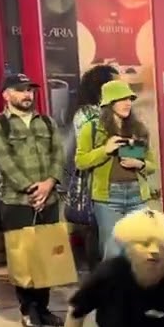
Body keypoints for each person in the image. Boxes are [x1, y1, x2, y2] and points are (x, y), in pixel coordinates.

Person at [0, 73, 67, 327]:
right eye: (20, 90)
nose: (27, 95)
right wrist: (33, 190)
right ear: (6, 95)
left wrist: (50, 183)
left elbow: (58, 154)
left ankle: (43, 307)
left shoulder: (47, 122)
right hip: (17, 200)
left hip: (50, 198)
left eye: (30, 90)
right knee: (24, 258)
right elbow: (4, 162)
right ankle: (28, 309)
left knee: (47, 257)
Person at [75, 79, 157, 261]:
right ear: (109, 103)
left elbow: (152, 165)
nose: (128, 103)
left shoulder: (138, 129)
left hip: (138, 196)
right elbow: (81, 161)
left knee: (138, 252)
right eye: (122, 99)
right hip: (108, 198)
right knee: (113, 252)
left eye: (130, 99)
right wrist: (105, 150)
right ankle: (112, 289)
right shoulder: (93, 128)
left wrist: (140, 165)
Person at [66, 64, 119, 272]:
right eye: (115, 82)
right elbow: (87, 150)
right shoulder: (86, 114)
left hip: (117, 179)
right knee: (96, 231)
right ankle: (98, 277)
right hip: (95, 179)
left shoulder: (113, 110)